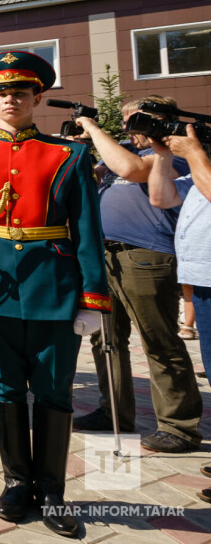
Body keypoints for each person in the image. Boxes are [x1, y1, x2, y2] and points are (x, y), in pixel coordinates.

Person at [0, 51, 110, 537]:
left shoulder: (69, 155)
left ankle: (53, 491)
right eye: (1, 92)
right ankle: (17, 482)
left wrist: (93, 299)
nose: (10, 100)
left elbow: (88, 230)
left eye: (20, 92)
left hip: (54, 290)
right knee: (4, 389)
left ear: (37, 97)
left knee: (55, 391)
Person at [69, 97, 202, 453]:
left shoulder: (170, 152)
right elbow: (91, 176)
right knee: (105, 340)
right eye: (127, 120)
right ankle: (113, 412)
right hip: (104, 256)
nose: (131, 127)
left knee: (159, 342)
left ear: (162, 122)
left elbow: (131, 170)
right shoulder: (122, 149)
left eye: (140, 120)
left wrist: (93, 127)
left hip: (146, 256)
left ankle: (179, 426)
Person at [147, 125, 211, 501]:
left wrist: (194, 153)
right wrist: (164, 155)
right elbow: (161, 197)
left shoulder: (202, 166)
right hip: (203, 280)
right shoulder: (200, 171)